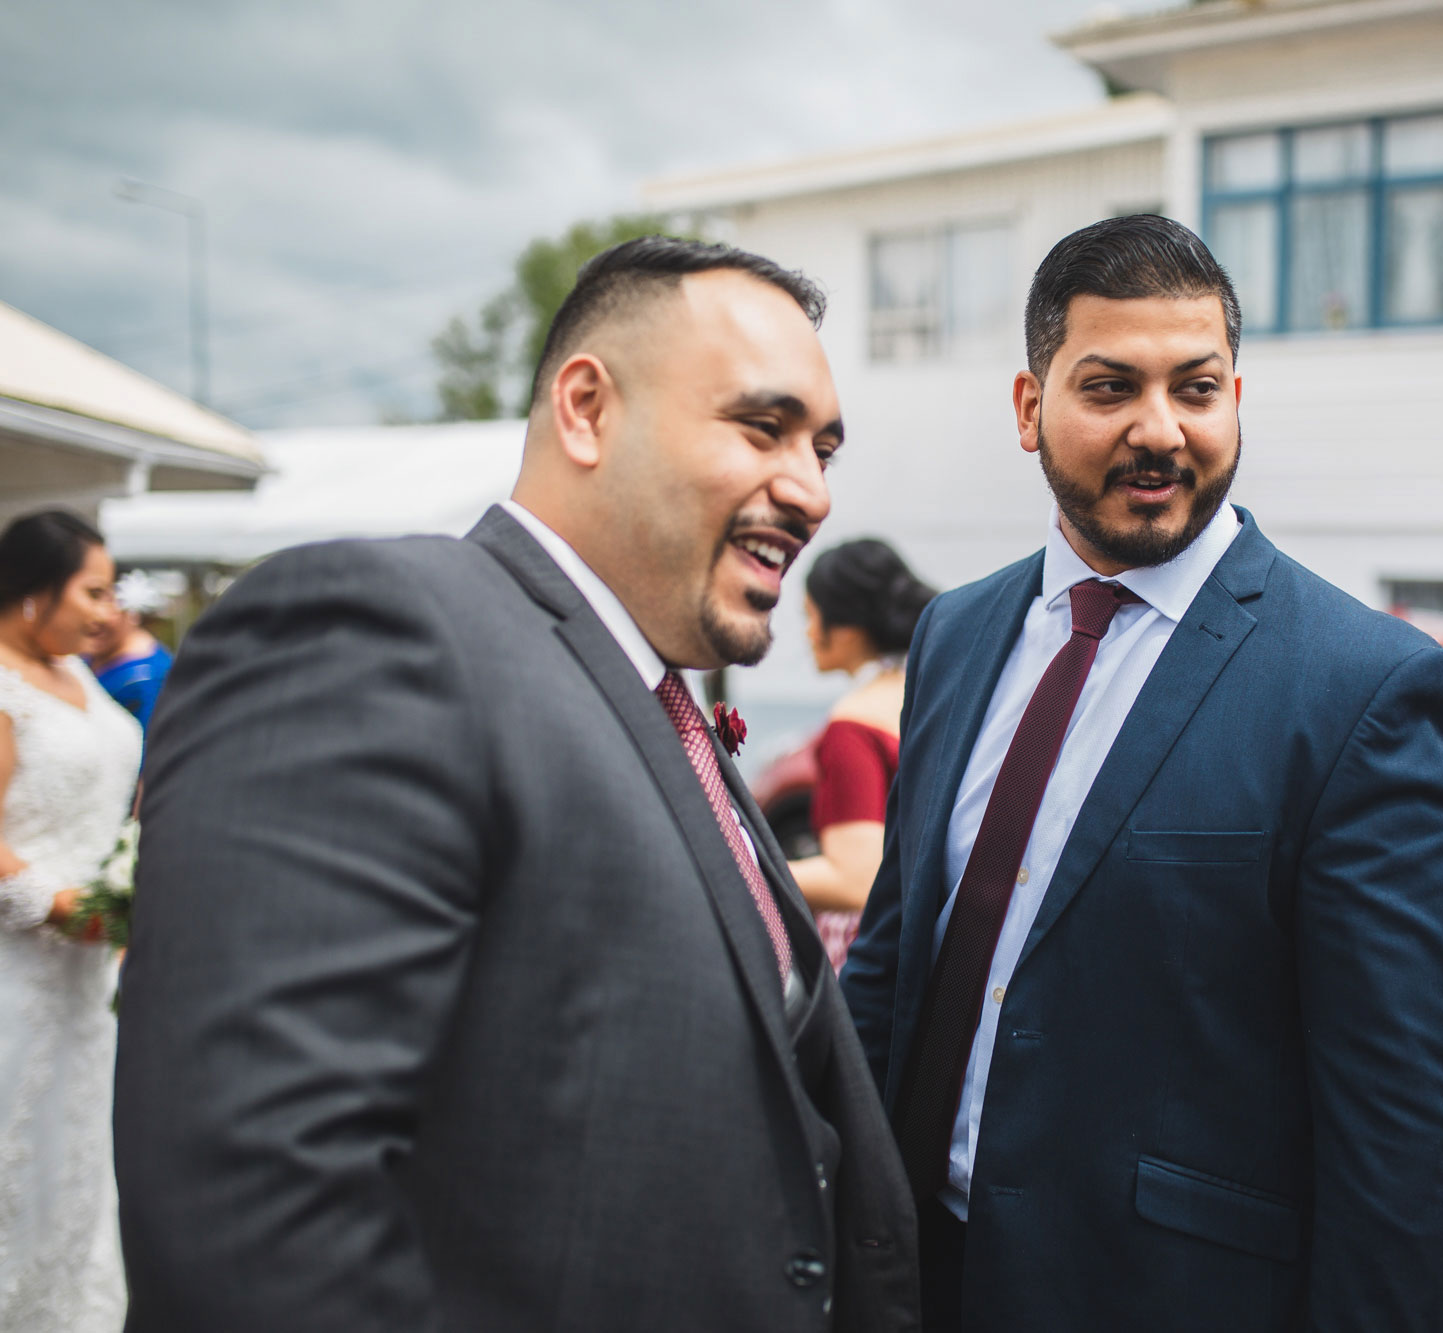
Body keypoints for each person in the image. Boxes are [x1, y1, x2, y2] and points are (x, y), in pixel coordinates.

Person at [114, 238, 920, 1332]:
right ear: (586, 407)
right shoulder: (380, 634)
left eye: (823, 448)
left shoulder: (659, 706)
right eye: (761, 427)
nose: (810, 491)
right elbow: (258, 1199)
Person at [840, 214, 1443, 1331]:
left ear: (1237, 394)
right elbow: (899, 952)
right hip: (910, 1276)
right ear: (1029, 409)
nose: (1159, 430)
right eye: (1108, 388)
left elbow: (1395, 1125)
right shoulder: (954, 632)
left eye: (1195, 388)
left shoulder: (1361, 688)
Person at [0, 509, 142, 1333]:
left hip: (90, 985)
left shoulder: (79, 677)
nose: (107, 610)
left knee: (80, 1172)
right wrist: (70, 909)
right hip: (20, 974)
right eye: (92, 590)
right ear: (31, 592)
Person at [789, 538, 935, 972]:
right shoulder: (933, 688)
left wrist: (744, 866)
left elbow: (855, 879)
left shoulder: (852, 723)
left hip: (873, 952)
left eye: (810, 617)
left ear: (847, 627)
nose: (808, 634)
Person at [84, 570, 174, 731]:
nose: (95, 618)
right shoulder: (90, 656)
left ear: (131, 612)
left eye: (108, 605)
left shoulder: (146, 680)